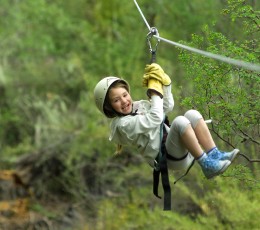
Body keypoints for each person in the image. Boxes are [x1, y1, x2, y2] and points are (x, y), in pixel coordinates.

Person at [93, 63, 239, 179]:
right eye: (116, 100)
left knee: (192, 114)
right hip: (168, 158)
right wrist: (155, 92)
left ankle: (214, 155)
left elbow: (166, 107)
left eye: (125, 95)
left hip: (181, 147)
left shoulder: (139, 106)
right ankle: (206, 165)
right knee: (180, 121)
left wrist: (165, 83)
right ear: (109, 107)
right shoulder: (122, 125)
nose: (124, 101)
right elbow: (155, 118)